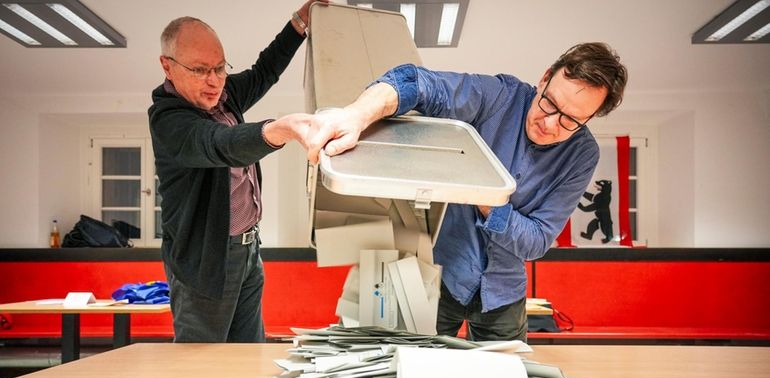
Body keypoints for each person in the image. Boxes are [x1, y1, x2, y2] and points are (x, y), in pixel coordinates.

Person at [316, 42, 628, 342]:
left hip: (504, 294)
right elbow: (416, 81)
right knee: (413, 375)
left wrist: (487, 197)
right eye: (549, 104)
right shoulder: (499, 96)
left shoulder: (583, 154)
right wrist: (356, 115)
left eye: (570, 120)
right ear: (545, 78)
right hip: (435, 276)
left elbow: (537, 241)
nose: (550, 123)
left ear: (590, 119)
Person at [148, 0, 332, 343]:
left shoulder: (224, 96)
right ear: (168, 66)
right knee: (201, 362)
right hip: (206, 261)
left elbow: (264, 71)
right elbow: (220, 144)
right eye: (200, 70)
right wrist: (282, 129)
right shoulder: (169, 120)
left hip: (248, 252)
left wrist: (298, 24)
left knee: (248, 354)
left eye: (220, 68)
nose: (214, 81)